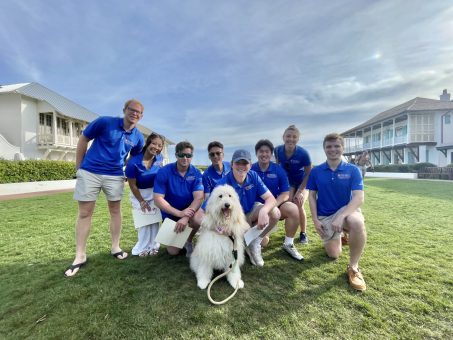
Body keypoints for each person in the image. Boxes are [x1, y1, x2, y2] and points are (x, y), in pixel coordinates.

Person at [64, 99, 145, 277]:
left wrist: (126, 170)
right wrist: (79, 168)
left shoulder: (138, 137)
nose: (134, 114)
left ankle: (115, 247)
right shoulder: (105, 122)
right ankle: (80, 255)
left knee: (115, 210)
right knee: (85, 212)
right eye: (131, 110)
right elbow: (83, 138)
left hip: (115, 175)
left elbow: (135, 157)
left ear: (141, 116)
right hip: (90, 172)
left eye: (138, 112)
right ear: (124, 110)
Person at [306, 133, 367, 291]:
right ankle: (341, 236)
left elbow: (359, 197)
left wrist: (341, 216)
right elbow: (311, 196)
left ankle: (353, 267)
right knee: (333, 255)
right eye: (329, 146)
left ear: (343, 148)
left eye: (336, 146)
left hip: (345, 212)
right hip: (325, 216)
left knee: (357, 222)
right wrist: (315, 220)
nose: (333, 149)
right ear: (324, 149)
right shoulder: (316, 171)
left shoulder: (352, 170)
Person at [200, 149, 279, 267]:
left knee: (275, 212)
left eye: (245, 163)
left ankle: (255, 243)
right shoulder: (222, 184)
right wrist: (216, 227)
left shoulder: (253, 176)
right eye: (238, 163)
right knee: (263, 242)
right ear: (232, 164)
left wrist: (263, 211)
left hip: (250, 212)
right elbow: (202, 212)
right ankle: (245, 241)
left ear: (250, 165)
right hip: (233, 219)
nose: (241, 167)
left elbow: (271, 199)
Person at [251, 139, 304, 261]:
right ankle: (261, 234)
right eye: (261, 151)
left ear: (271, 154)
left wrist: (274, 205)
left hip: (275, 205)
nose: (264, 154)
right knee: (264, 242)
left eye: (267, 151)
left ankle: (288, 243)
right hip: (256, 207)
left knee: (293, 208)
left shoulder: (278, 170)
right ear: (256, 153)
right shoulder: (251, 169)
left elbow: (285, 194)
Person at [153, 141, 204, 257]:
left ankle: (189, 241)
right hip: (171, 213)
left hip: (189, 213)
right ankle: (183, 234)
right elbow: (158, 199)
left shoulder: (196, 173)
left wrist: (185, 217)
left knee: (198, 218)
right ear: (176, 155)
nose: (185, 158)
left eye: (188, 155)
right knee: (173, 252)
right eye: (181, 155)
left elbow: (199, 197)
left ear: (192, 156)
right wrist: (180, 213)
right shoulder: (164, 171)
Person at [125, 133, 165, 256]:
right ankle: (142, 247)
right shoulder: (133, 162)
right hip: (139, 193)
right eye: (154, 143)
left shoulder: (160, 158)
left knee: (154, 221)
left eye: (159, 145)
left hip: (154, 192)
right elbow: (132, 185)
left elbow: (160, 175)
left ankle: (154, 246)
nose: (156, 147)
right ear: (148, 143)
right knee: (144, 223)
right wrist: (141, 201)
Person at [274, 125, 312, 244]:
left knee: (298, 203)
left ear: (298, 139)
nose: (291, 139)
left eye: (294, 137)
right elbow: (276, 166)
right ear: (283, 137)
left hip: (302, 181)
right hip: (288, 182)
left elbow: (308, 173)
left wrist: (301, 191)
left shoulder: (303, 153)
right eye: (288, 136)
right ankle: (289, 231)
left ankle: (303, 233)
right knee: (288, 204)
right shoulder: (277, 150)